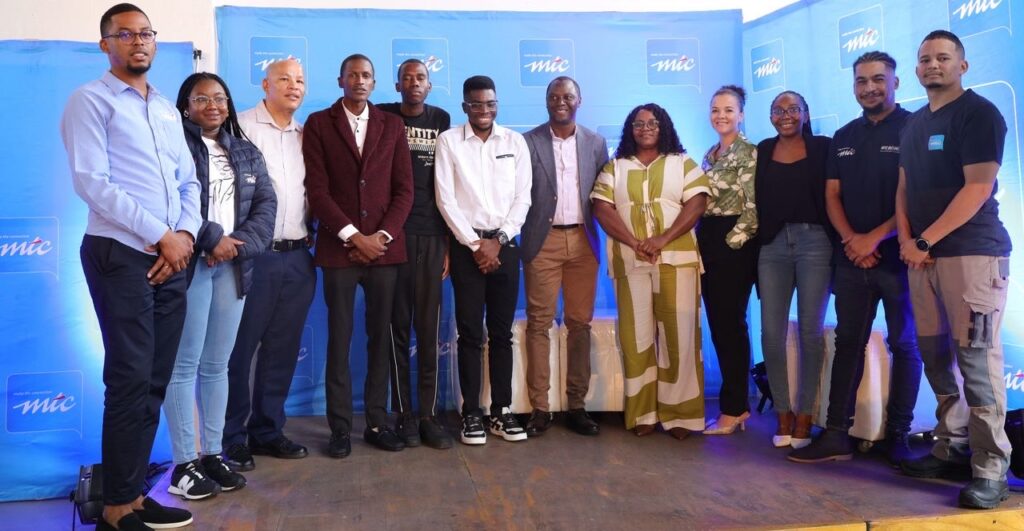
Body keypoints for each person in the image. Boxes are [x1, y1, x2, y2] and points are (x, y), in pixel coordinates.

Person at [60, 3, 198, 530]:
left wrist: (184, 235)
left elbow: (188, 181)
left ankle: (134, 495)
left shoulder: (165, 107)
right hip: (119, 252)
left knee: (155, 380)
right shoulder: (90, 101)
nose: (138, 41)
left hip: (172, 254)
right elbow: (92, 182)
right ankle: (115, 509)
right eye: (125, 34)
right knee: (129, 378)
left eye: (146, 33)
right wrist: (161, 235)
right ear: (105, 45)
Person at [896, 30, 1012, 510]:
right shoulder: (913, 123)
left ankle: (991, 469)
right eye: (925, 58)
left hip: (972, 254)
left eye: (943, 57)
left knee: (977, 363)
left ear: (962, 65)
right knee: (935, 356)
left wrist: (925, 240)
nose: (933, 64)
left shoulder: (979, 114)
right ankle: (951, 447)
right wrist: (908, 241)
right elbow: (903, 188)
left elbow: (978, 188)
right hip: (922, 258)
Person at [788, 51, 922, 465]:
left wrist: (874, 239)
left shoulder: (916, 127)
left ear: (896, 82)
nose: (870, 88)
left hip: (900, 259)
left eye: (878, 79)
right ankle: (836, 434)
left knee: (905, 345)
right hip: (851, 259)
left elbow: (916, 195)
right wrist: (852, 240)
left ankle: (899, 436)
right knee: (848, 344)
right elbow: (832, 195)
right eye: (862, 81)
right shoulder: (843, 135)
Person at [160, 73, 276, 500]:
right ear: (185, 106)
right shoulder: (174, 146)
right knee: (183, 366)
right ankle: (183, 463)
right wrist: (212, 240)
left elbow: (266, 204)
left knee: (217, 365)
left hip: (232, 267)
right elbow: (173, 200)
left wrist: (235, 245)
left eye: (220, 98)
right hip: (189, 264)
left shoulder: (244, 149)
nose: (213, 106)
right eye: (202, 99)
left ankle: (211, 454)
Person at [304, 53, 414, 458]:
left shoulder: (392, 125)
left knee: (380, 338)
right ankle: (339, 429)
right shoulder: (319, 123)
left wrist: (380, 236)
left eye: (366, 75)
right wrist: (353, 235)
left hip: (385, 250)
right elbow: (318, 192)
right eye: (352, 75)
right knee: (339, 338)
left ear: (374, 82)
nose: (360, 80)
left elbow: (404, 190)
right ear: (340, 80)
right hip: (339, 250)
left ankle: (376, 422)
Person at [591, 103, 710, 440]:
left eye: (653, 123)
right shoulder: (616, 166)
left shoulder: (681, 163)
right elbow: (601, 207)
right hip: (630, 261)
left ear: (664, 127)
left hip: (676, 259)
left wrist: (662, 239)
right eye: (638, 123)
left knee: (680, 336)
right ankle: (643, 412)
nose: (645, 128)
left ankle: (681, 415)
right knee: (636, 338)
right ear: (630, 129)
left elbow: (698, 202)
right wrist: (634, 241)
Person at [223, 58, 315, 471]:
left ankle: (268, 429)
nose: (294, 86)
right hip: (252, 258)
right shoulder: (239, 127)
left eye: (300, 80)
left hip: (297, 257)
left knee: (282, 349)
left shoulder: (306, 135)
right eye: (284, 79)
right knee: (239, 352)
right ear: (265, 85)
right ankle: (231, 436)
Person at [435, 75, 532, 445]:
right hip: (467, 248)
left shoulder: (514, 142)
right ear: (465, 107)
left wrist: (500, 240)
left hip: (505, 246)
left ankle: (501, 411)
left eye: (490, 104)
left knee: (502, 333)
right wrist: (476, 245)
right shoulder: (449, 141)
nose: (484, 110)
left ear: (497, 105)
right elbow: (446, 200)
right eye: (476, 104)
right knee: (470, 333)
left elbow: (523, 197)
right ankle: (471, 413)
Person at [521, 76, 608, 437]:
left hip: (584, 242)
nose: (561, 102)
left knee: (579, 324)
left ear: (579, 100)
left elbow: (604, 195)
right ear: (546, 101)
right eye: (554, 96)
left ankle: (577, 405)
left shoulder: (596, 143)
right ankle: (540, 408)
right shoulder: (527, 142)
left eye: (568, 96)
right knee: (539, 323)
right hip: (543, 241)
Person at [378, 59, 454, 450]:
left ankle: (428, 414)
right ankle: (404, 413)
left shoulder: (441, 119)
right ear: (397, 85)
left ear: (429, 84)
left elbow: (448, 183)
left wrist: (447, 243)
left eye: (420, 77)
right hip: (394, 235)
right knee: (397, 327)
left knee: (428, 329)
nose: (413, 83)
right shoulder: (383, 116)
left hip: (432, 235)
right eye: (406, 78)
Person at [755, 91, 833, 450]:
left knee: (810, 333)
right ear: (771, 116)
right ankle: (782, 413)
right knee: (771, 333)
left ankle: (805, 415)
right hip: (772, 246)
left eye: (792, 109)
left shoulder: (823, 147)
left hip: (815, 242)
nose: (785, 115)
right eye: (778, 110)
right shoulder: (763, 150)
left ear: (806, 113)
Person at [698, 85, 759, 436]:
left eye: (728, 110)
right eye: (715, 110)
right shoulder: (711, 154)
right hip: (708, 239)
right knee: (719, 326)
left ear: (741, 114)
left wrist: (729, 244)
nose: (721, 116)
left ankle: (735, 408)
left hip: (734, 243)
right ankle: (734, 405)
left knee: (731, 326)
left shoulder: (748, 152)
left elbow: (753, 209)